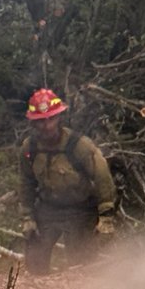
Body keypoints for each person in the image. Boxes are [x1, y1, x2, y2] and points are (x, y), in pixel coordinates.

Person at [18, 88, 117, 275]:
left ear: (59, 118)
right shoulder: (29, 148)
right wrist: (27, 217)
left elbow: (102, 176)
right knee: (35, 258)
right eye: (41, 121)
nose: (46, 126)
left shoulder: (79, 145)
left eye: (50, 119)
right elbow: (26, 183)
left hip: (80, 209)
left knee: (81, 265)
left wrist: (106, 216)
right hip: (48, 208)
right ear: (33, 122)